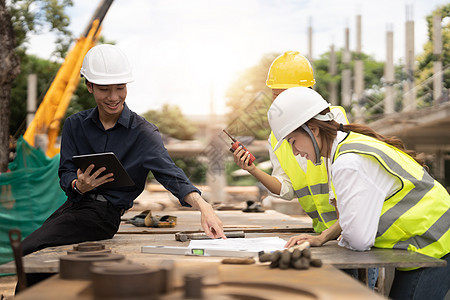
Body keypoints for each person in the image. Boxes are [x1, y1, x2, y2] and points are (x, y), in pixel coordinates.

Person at [21, 44, 226, 256]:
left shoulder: (143, 132)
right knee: (30, 255)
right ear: (89, 86)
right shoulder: (75, 124)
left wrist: (204, 207)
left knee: (29, 249)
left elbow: (171, 174)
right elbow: (66, 171)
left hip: (103, 217)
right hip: (73, 207)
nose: (113, 97)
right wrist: (78, 185)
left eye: (120, 87)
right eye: (104, 89)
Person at [267, 86, 450, 299]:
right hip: (428, 243)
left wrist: (343, 235)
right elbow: (355, 217)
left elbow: (358, 239)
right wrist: (325, 236)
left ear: (313, 130)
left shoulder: (348, 162)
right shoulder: (350, 144)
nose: (295, 151)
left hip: (436, 245)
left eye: (292, 142)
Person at [233, 51, 347, 246]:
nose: (279, 103)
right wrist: (252, 169)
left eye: (284, 95)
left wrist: (341, 233)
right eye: (275, 95)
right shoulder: (278, 136)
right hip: (322, 235)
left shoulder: (331, 119)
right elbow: (286, 189)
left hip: (350, 231)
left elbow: (342, 181)